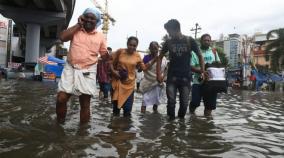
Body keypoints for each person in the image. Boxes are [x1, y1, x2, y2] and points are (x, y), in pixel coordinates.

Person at [56, 7, 109, 124]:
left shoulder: (100, 36)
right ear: (83, 18)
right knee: (61, 98)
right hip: (70, 67)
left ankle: (83, 132)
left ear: (97, 22)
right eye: (87, 17)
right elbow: (62, 37)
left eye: (92, 18)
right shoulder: (76, 30)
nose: (89, 20)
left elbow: (104, 55)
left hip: (88, 70)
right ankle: (59, 124)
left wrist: (111, 62)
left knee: (85, 104)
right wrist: (78, 25)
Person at [156, 19, 205, 119]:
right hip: (171, 77)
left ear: (176, 29)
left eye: (169, 31)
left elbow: (200, 56)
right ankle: (170, 126)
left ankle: (181, 126)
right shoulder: (168, 42)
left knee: (184, 104)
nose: (168, 34)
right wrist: (158, 74)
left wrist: (202, 71)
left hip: (186, 78)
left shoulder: (189, 40)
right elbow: (160, 57)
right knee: (171, 102)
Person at [110, 36, 157, 117]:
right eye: (130, 45)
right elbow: (110, 61)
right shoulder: (120, 51)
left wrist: (154, 60)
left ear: (136, 46)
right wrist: (114, 72)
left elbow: (144, 68)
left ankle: (125, 128)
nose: (132, 47)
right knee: (116, 111)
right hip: (118, 83)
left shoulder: (137, 56)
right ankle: (115, 129)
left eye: (134, 46)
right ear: (127, 44)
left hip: (130, 86)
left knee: (127, 111)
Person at [189, 33, 221, 116]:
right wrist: (202, 71)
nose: (207, 42)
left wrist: (217, 65)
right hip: (197, 81)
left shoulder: (214, 52)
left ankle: (207, 124)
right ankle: (191, 115)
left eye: (208, 40)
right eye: (205, 40)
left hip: (211, 83)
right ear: (201, 41)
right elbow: (190, 66)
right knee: (195, 102)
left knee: (210, 106)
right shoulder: (194, 52)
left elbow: (219, 64)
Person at [140, 41, 167, 113]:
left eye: (155, 48)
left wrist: (163, 78)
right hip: (148, 83)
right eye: (152, 48)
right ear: (149, 49)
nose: (154, 50)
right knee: (144, 101)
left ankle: (155, 115)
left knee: (156, 101)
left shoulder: (163, 58)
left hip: (158, 82)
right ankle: (142, 117)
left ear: (158, 48)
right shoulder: (146, 58)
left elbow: (166, 69)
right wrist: (154, 60)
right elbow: (143, 68)